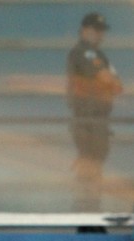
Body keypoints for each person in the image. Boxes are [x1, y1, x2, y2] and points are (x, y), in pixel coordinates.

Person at [67, 12, 123, 228]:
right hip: (88, 122)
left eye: (102, 31)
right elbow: (107, 79)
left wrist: (109, 81)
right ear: (84, 29)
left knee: (93, 170)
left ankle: (91, 218)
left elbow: (117, 86)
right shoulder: (83, 53)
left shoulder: (99, 55)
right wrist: (107, 81)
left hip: (97, 122)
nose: (100, 34)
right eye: (96, 29)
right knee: (88, 170)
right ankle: (87, 221)